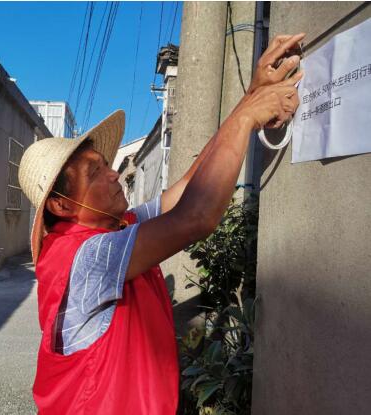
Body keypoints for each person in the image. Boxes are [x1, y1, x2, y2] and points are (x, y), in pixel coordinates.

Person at [18, 33, 305, 414]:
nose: (114, 175)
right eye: (95, 173)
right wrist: (249, 116)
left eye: (106, 165)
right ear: (61, 204)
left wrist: (250, 97)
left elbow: (188, 186)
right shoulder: (86, 257)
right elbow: (196, 216)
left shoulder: (118, 226)